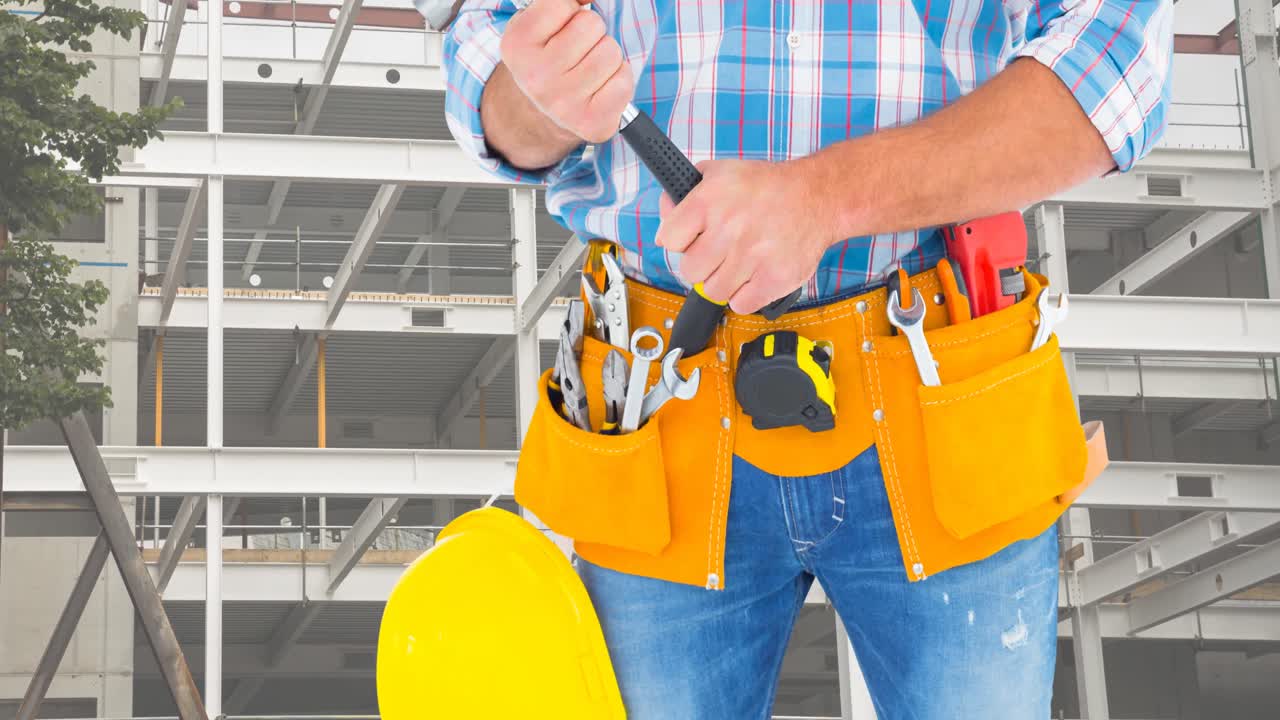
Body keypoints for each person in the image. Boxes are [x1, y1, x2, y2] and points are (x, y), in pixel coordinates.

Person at [443, 1, 1172, 717]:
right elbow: (484, 47)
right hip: (659, 394)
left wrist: (826, 199)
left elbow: (1120, 53)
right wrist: (537, 97)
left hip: (942, 370)